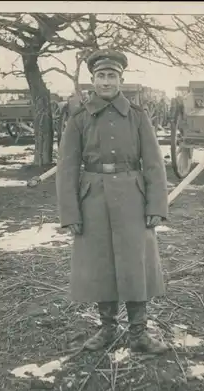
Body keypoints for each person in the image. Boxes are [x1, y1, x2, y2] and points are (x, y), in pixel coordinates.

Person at [56, 49, 169, 354]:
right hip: (92, 198)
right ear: (92, 80)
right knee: (100, 263)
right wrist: (70, 212)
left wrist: (157, 206)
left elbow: (155, 164)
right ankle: (107, 329)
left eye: (112, 76)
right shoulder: (79, 118)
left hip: (133, 197)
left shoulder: (137, 115)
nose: (106, 81)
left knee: (136, 264)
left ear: (121, 79)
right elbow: (67, 167)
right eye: (100, 76)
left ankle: (139, 334)